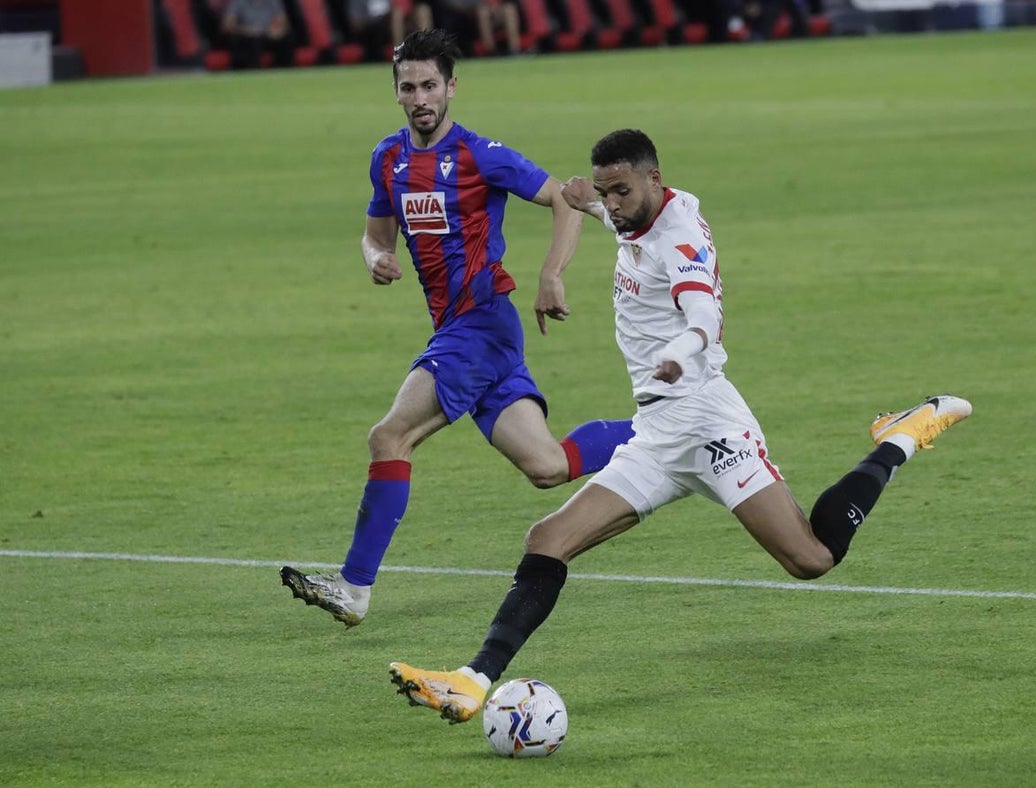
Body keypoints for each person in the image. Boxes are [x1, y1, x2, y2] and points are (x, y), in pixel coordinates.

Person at [387, 129, 972, 723]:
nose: (611, 205)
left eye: (622, 192)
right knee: (547, 539)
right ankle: (471, 680)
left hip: (707, 423)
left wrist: (682, 350)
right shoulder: (632, 214)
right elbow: (599, 206)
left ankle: (901, 436)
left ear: (654, 180)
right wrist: (581, 210)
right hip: (657, 433)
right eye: (607, 192)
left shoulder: (680, 237)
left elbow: (704, 313)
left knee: (811, 559)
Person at [279, 31, 634, 627]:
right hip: (462, 330)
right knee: (547, 466)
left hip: (481, 322)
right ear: (395, 93)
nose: (420, 97)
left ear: (451, 88)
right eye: (408, 87)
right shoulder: (387, 160)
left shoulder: (479, 155)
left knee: (389, 437)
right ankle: (670, 435)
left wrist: (552, 273)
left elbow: (564, 198)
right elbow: (375, 235)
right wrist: (376, 260)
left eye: (430, 85)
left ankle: (354, 587)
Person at [344, 0, 434, 60]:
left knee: (423, 10)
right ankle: (400, 53)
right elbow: (355, 23)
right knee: (396, 13)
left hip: (394, 23)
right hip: (371, 27)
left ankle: (426, 52)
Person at [219, 0, 294, 69]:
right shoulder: (238, 2)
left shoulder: (272, 1)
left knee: (286, 39)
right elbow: (227, 26)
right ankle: (254, 72)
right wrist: (247, 30)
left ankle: (283, 70)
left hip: (267, 34)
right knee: (253, 42)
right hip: (247, 35)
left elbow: (284, 23)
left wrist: (278, 30)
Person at [436, 0, 522, 56]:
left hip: (497, 8)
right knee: (483, 12)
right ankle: (490, 51)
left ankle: (515, 50)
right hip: (473, 10)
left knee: (509, 9)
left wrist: (495, 8)